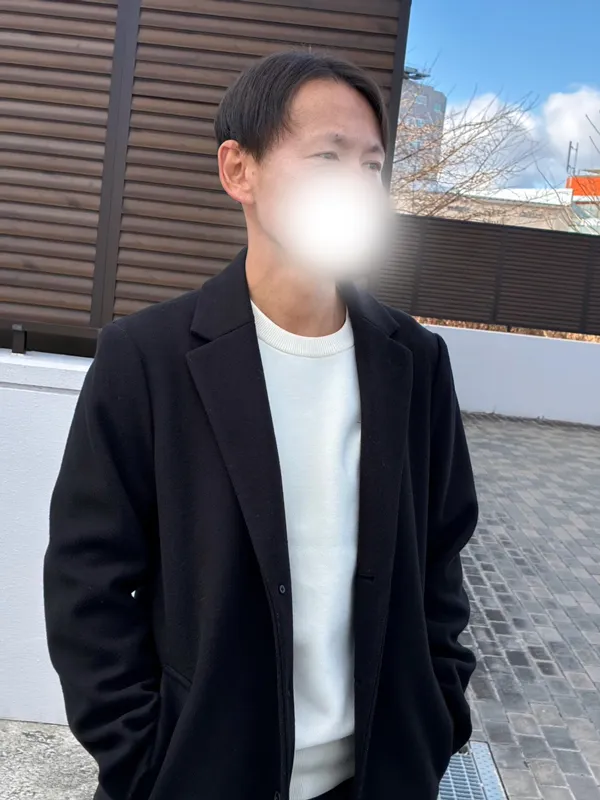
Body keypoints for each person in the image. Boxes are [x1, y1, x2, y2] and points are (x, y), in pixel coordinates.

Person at [44, 51, 478, 800]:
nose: (355, 185)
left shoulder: (414, 361)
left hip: (379, 776)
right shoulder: (146, 358)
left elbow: (441, 559)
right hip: (199, 776)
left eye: (371, 165)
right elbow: (89, 583)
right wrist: (146, 759)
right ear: (238, 170)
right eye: (327, 157)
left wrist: (438, 719)